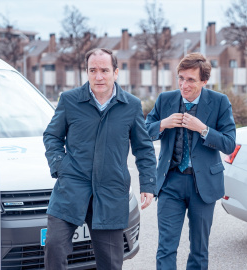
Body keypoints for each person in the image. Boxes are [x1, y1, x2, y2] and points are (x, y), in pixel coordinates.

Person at [43, 48, 157, 270]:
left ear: (115, 72)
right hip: (71, 189)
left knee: (110, 263)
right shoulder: (70, 100)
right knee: (54, 248)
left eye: (104, 70)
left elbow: (143, 148)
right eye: (92, 70)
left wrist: (148, 184)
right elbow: (52, 136)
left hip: (110, 193)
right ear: (86, 72)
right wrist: (60, 166)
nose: (98, 76)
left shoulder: (131, 105)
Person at [146, 52, 236, 269]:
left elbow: (229, 144)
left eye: (191, 80)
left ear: (204, 81)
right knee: (166, 247)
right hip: (170, 183)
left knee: (199, 250)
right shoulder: (165, 100)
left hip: (203, 185)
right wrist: (163, 123)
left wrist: (203, 129)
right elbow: (143, 132)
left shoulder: (219, 102)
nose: (184, 85)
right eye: (181, 78)